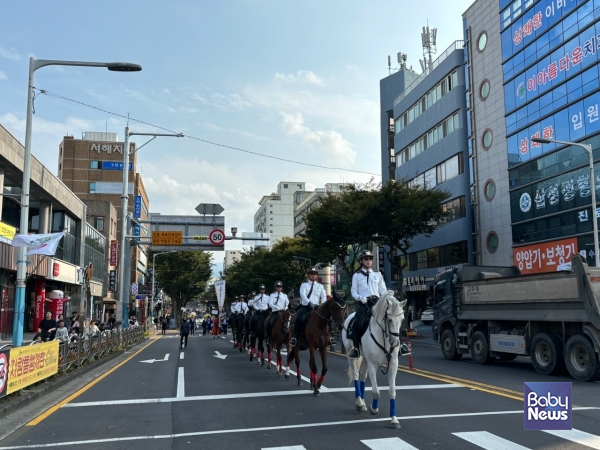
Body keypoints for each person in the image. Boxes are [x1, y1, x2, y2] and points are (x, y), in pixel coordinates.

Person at [349, 250, 409, 358]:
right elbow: (353, 291)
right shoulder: (356, 275)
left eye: (370, 259)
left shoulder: (377, 274)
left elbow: (383, 290)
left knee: (393, 318)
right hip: (364, 303)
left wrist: (390, 299)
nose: (368, 261)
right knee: (356, 321)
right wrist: (360, 297)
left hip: (377, 302)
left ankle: (399, 346)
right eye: (366, 259)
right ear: (361, 261)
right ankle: (356, 348)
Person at [290, 267, 326, 347]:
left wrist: (323, 305)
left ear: (317, 275)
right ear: (308, 275)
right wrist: (309, 303)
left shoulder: (320, 286)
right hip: (306, 307)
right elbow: (303, 295)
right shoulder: (304, 285)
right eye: (311, 274)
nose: (313, 275)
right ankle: (295, 338)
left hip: (317, 308)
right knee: (298, 318)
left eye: (315, 274)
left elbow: (323, 296)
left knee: (326, 319)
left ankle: (329, 337)